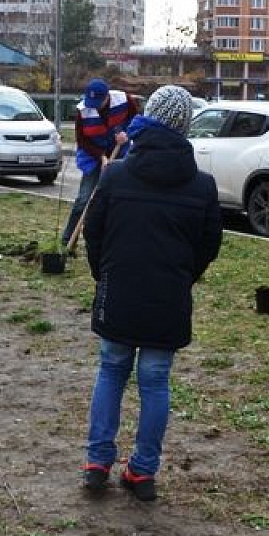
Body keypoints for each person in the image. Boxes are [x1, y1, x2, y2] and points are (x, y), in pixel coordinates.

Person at [81, 85, 223, 501]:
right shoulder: (202, 186)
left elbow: (95, 231)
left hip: (119, 289)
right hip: (169, 296)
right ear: (185, 126)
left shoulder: (117, 174)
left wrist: (104, 274)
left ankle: (97, 462)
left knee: (111, 371)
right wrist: (183, 277)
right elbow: (208, 245)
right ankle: (142, 471)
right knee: (155, 381)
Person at [63, 78, 137, 247]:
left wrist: (126, 133)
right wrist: (101, 157)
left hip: (120, 154)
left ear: (107, 97)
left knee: (117, 199)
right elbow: (82, 140)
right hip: (92, 156)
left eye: (98, 102)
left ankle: (113, 242)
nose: (94, 106)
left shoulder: (124, 100)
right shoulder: (83, 111)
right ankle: (68, 240)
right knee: (84, 199)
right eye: (91, 102)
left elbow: (135, 120)